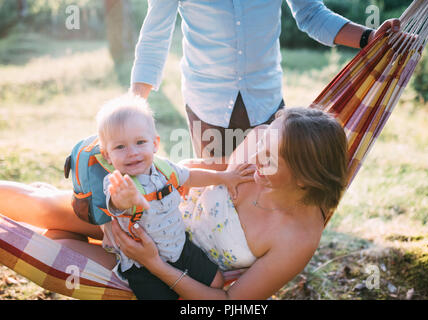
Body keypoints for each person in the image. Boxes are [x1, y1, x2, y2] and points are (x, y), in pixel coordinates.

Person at [0, 106, 348, 299]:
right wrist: (154, 175)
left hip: (167, 264)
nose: (255, 156)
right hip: (146, 202)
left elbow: (227, 305)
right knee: (43, 206)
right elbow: (200, 168)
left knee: (49, 249)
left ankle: (74, 232)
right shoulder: (263, 141)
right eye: (261, 143)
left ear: (305, 178)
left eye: (270, 158)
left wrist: (153, 263)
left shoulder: (297, 239)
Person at [130, 0, 400, 160]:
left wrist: (369, 39)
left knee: (267, 196)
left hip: (266, 103)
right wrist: (133, 109)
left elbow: (312, 15)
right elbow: (156, 35)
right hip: (207, 106)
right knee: (218, 201)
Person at [94, 94, 253, 299]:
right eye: (120, 147)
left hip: (180, 247)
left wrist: (225, 177)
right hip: (141, 264)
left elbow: (190, 176)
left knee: (217, 282)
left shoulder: (163, 167)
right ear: (107, 154)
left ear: (155, 143)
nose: (132, 152)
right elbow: (117, 202)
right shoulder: (118, 183)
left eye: (140, 142)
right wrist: (126, 199)